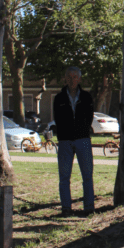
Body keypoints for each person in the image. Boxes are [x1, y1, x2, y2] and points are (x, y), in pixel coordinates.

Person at [53, 66, 95, 216]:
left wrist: (82, 131)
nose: (72, 80)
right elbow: (58, 119)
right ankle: (66, 208)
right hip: (65, 141)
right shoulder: (59, 98)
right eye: (69, 77)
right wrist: (64, 134)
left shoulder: (86, 97)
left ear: (79, 79)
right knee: (64, 177)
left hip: (83, 140)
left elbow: (89, 117)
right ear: (65, 78)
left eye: (75, 77)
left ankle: (89, 207)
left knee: (87, 175)